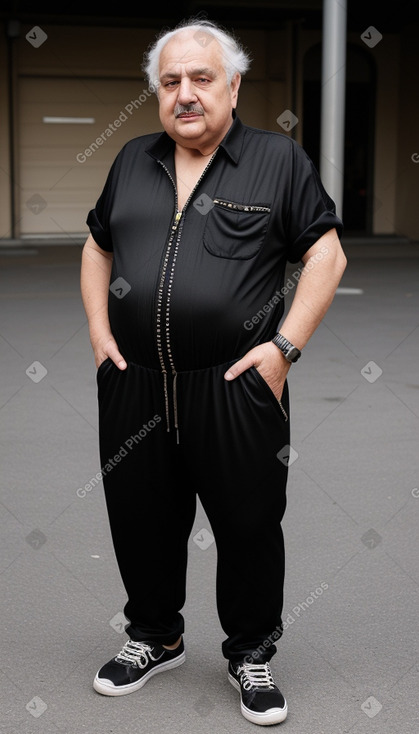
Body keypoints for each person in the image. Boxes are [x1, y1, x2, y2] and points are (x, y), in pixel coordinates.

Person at [80, 17, 346, 726]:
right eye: (170, 81)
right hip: (135, 382)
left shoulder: (275, 160)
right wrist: (100, 331)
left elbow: (326, 255)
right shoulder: (133, 160)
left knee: (249, 522)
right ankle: (154, 636)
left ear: (232, 84)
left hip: (233, 384)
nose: (185, 93)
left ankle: (250, 652)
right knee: (139, 518)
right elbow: (97, 245)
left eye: (201, 78)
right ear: (157, 93)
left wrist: (282, 350)